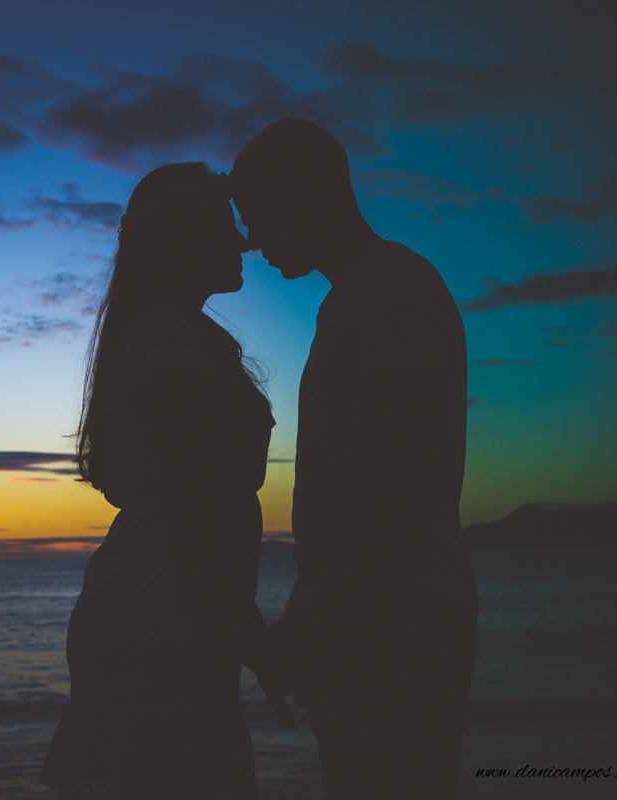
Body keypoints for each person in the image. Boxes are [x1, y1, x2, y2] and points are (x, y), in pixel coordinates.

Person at [230, 119, 479, 799]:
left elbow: (393, 483)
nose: (250, 240)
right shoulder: (361, 296)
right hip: (375, 616)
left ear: (305, 195)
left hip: (396, 624)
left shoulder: (389, 291)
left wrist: (318, 621)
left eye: (257, 216)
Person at [40, 162, 278, 799]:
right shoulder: (170, 342)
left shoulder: (166, 339)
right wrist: (255, 641)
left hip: (165, 610)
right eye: (224, 227)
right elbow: (189, 512)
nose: (242, 241)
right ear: (183, 240)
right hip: (164, 619)